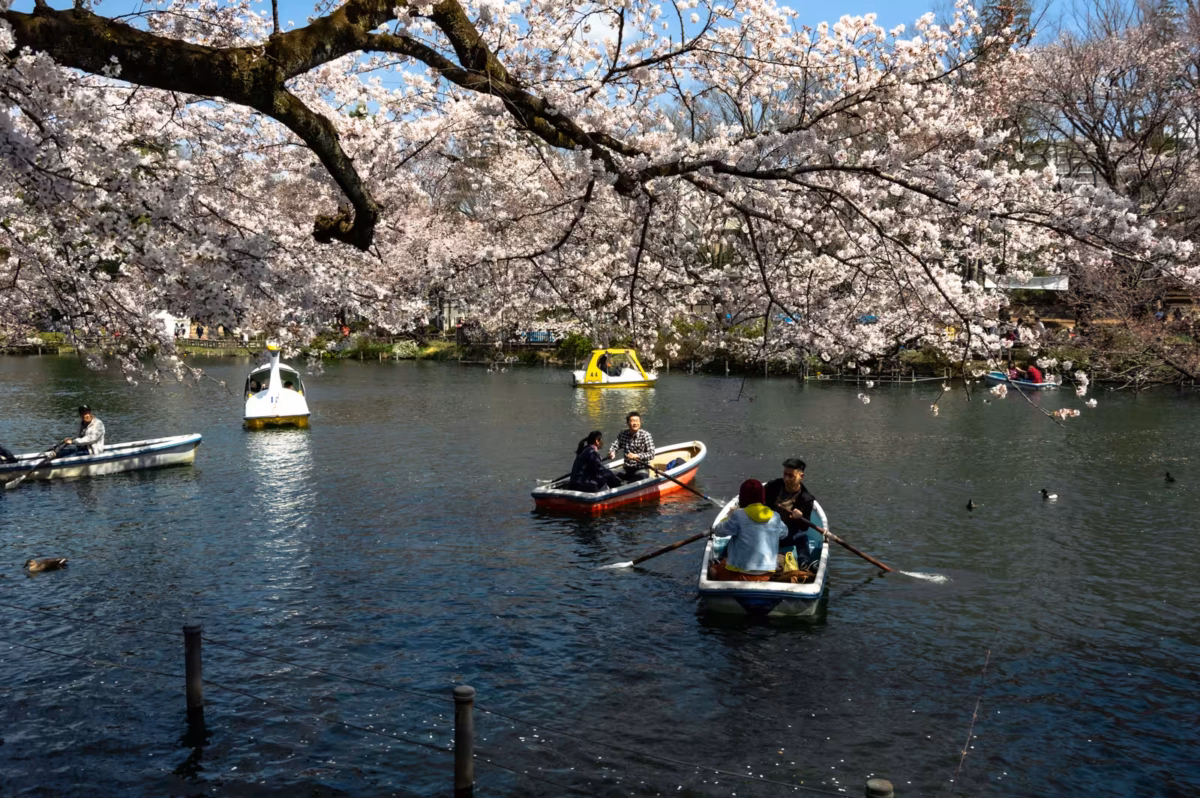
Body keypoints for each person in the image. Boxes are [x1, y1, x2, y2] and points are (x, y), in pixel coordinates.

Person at [708, 479, 788, 582]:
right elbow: (784, 533)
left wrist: (729, 516)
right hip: (767, 573)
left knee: (713, 569)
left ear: (742, 498)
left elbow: (719, 531)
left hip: (739, 574)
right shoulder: (775, 516)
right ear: (762, 498)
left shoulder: (738, 515)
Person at [764, 458, 817, 555]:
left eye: (791, 476)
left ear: (801, 476)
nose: (786, 479)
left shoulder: (806, 499)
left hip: (785, 535)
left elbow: (804, 527)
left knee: (802, 536)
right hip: (765, 530)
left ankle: (804, 564)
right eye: (785, 474)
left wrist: (799, 517)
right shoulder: (773, 486)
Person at [608, 411, 654, 482]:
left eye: (637, 421)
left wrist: (637, 456)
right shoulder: (623, 434)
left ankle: (626, 484)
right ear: (628, 423)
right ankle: (621, 485)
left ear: (640, 423)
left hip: (641, 469)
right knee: (607, 473)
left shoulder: (646, 435)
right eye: (632, 421)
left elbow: (651, 454)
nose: (635, 423)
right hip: (626, 469)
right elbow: (615, 446)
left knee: (642, 478)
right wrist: (612, 452)